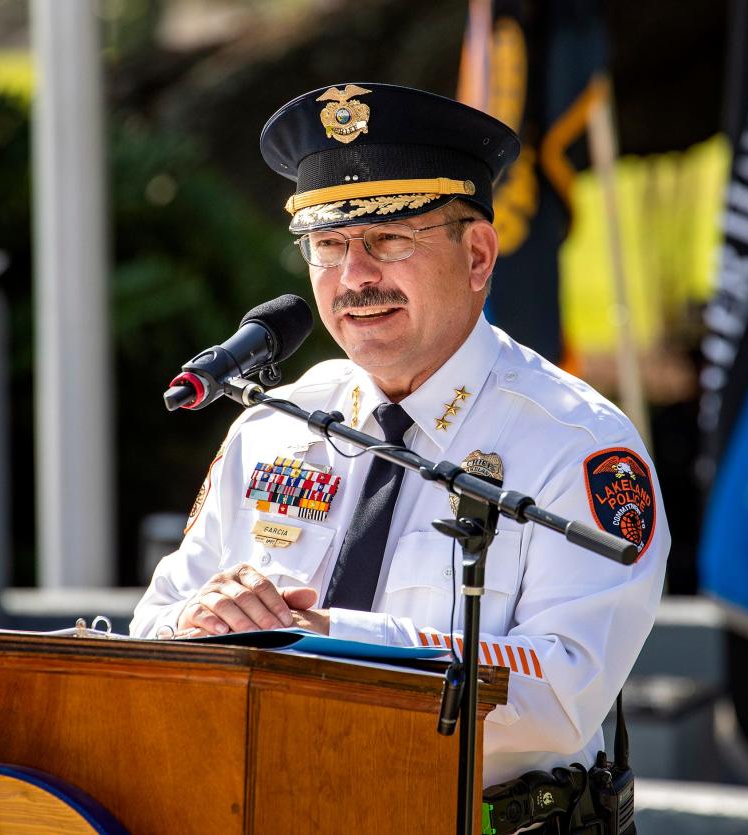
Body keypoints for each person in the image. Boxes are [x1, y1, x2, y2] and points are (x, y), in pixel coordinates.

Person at [131, 83, 670, 786]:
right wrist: (198, 626)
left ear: (477, 255)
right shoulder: (273, 426)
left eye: (388, 238)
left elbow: (563, 690)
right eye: (328, 244)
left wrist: (332, 648)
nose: (355, 276)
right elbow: (150, 628)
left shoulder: (579, 446)